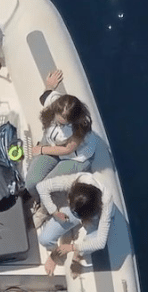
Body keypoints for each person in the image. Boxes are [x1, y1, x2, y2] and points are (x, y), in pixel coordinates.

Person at [24, 68, 96, 204]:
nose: (58, 120)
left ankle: (46, 209)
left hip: (73, 157)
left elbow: (68, 149)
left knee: (46, 187)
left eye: (63, 121)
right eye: (57, 116)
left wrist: (41, 150)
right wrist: (49, 86)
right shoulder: (54, 103)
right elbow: (46, 96)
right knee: (31, 183)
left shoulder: (80, 127)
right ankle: (39, 201)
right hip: (52, 143)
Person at [36, 173, 114, 276]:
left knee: (93, 242)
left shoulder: (106, 202)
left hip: (95, 219)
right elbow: (41, 186)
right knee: (45, 239)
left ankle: (79, 253)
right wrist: (54, 211)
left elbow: (101, 242)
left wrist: (72, 247)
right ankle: (56, 254)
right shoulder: (78, 180)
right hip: (78, 210)